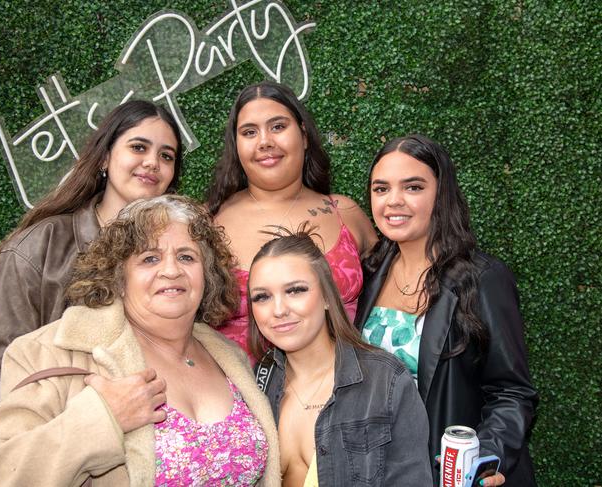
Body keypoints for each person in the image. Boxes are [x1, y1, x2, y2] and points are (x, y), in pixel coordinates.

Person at [0, 195, 280, 487]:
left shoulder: (228, 357)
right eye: (149, 258)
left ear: (207, 276)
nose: (171, 270)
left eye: (186, 257)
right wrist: (101, 418)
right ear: (118, 277)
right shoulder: (51, 352)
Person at [0, 100, 184, 431]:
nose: (152, 162)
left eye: (166, 156)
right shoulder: (39, 247)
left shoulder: (177, 252)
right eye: (139, 147)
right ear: (106, 157)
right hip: (62, 440)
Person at [354, 134, 539, 487]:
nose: (393, 201)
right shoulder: (370, 273)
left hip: (451, 474)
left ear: (442, 193)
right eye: (381, 189)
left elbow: (512, 391)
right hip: (384, 468)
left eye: (413, 187)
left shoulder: (483, 278)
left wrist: (482, 457)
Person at [247, 225, 433, 486]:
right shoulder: (253, 385)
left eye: (295, 290)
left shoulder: (385, 381)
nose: (278, 310)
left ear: (326, 296)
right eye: (262, 297)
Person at [206, 81, 377, 356]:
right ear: (236, 146)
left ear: (304, 135)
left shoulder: (343, 213)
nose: (265, 142)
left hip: (345, 390)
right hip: (239, 393)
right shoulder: (207, 223)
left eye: (278, 127)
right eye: (249, 132)